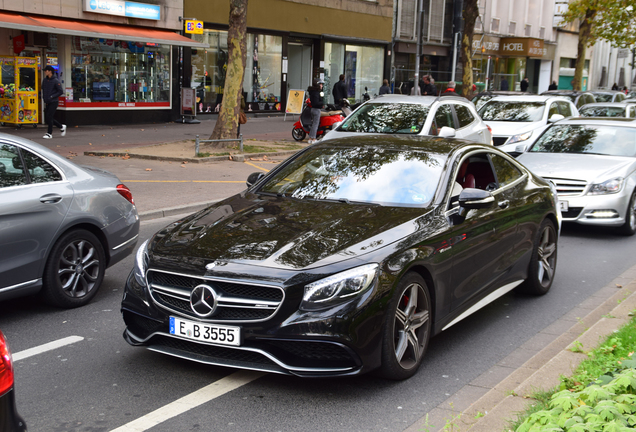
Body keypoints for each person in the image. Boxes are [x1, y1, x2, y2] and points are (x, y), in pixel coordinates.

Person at [41, 65, 66, 139]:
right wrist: (43, 97)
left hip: (53, 101)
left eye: (46, 71)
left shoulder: (55, 81)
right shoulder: (45, 80)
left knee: (49, 116)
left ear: (50, 72)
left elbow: (60, 91)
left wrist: (52, 96)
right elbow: (43, 89)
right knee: (48, 117)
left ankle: (49, 133)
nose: (45, 72)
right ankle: (61, 126)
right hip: (47, 101)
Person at [308, 79, 324, 144]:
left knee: (313, 124)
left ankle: (310, 138)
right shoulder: (317, 93)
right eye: (321, 84)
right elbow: (317, 102)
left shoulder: (312, 92)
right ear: (318, 85)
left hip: (312, 109)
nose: (322, 86)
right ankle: (314, 138)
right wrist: (322, 103)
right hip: (316, 109)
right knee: (315, 125)